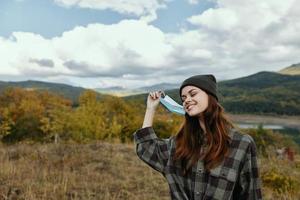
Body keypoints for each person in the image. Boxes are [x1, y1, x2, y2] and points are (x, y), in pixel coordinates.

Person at [133, 74, 262, 200]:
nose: (187, 100)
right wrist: (150, 108)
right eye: (183, 98)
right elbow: (146, 147)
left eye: (193, 94)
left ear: (210, 96)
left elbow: (251, 194)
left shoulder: (241, 144)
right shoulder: (178, 144)